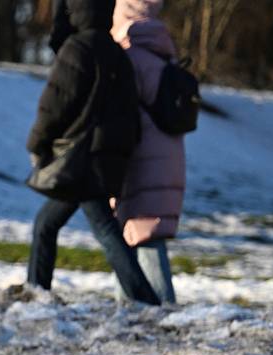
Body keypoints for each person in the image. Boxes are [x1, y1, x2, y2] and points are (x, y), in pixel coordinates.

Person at [26, 0, 162, 305]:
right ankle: (37, 292)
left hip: (82, 161)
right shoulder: (116, 54)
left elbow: (54, 105)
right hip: (105, 158)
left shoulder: (78, 49)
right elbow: (131, 114)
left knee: (100, 229)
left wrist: (37, 143)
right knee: (49, 224)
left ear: (75, 11)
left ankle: (145, 299)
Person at [112, 0, 185, 303]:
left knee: (143, 235)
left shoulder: (131, 54)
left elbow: (121, 112)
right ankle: (128, 308)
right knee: (136, 235)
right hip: (164, 159)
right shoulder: (160, 48)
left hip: (141, 161)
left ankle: (161, 309)